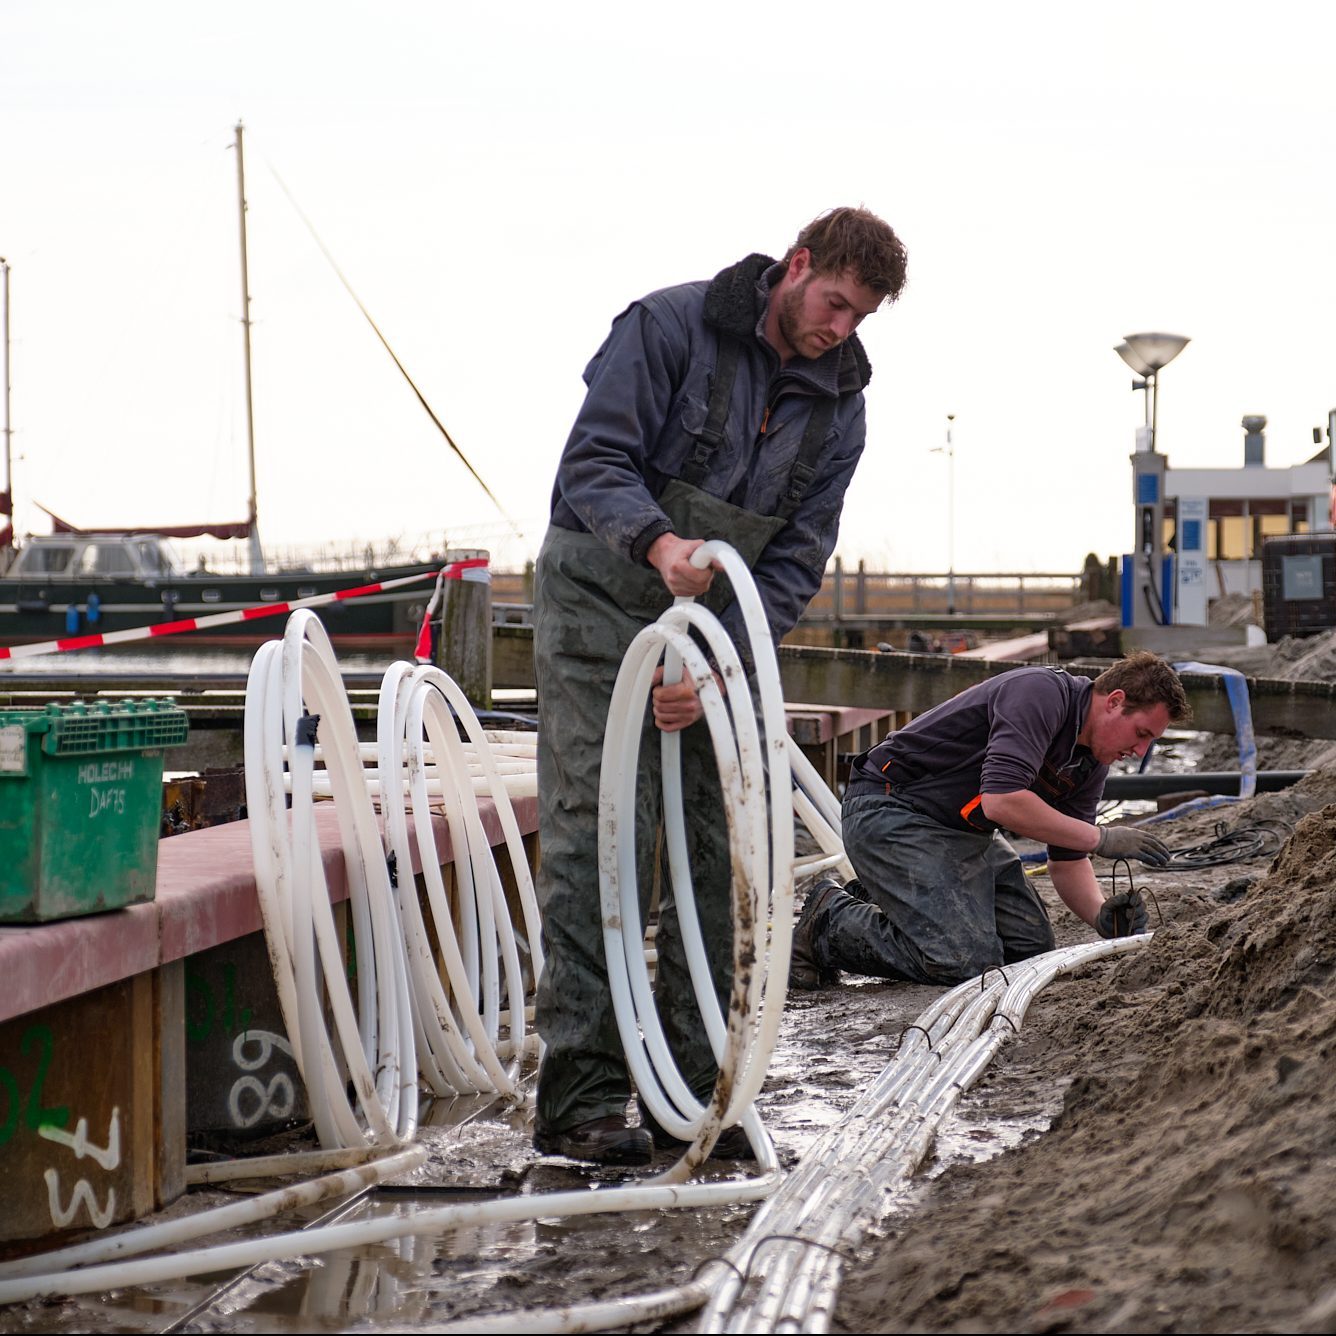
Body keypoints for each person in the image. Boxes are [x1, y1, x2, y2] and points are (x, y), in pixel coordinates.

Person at [532, 207, 909, 1164]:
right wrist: (658, 546)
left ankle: (693, 1094)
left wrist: (716, 664)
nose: (839, 328)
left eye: (860, 318)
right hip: (600, 597)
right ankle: (581, 1099)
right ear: (798, 264)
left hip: (713, 627)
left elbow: (794, 559)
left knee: (717, 842)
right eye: (833, 302)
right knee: (601, 833)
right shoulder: (666, 328)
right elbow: (593, 462)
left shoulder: (841, 406)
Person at [789, 653, 1191, 991]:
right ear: (1115, 701)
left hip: (962, 833)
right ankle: (830, 919)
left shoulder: (1089, 761)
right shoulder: (1041, 694)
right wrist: (1101, 837)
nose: (1139, 751)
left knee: (1029, 951)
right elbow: (1001, 802)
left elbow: (1067, 860)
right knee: (963, 962)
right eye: (1140, 734)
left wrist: (1101, 915)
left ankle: (897, 899)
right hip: (891, 810)